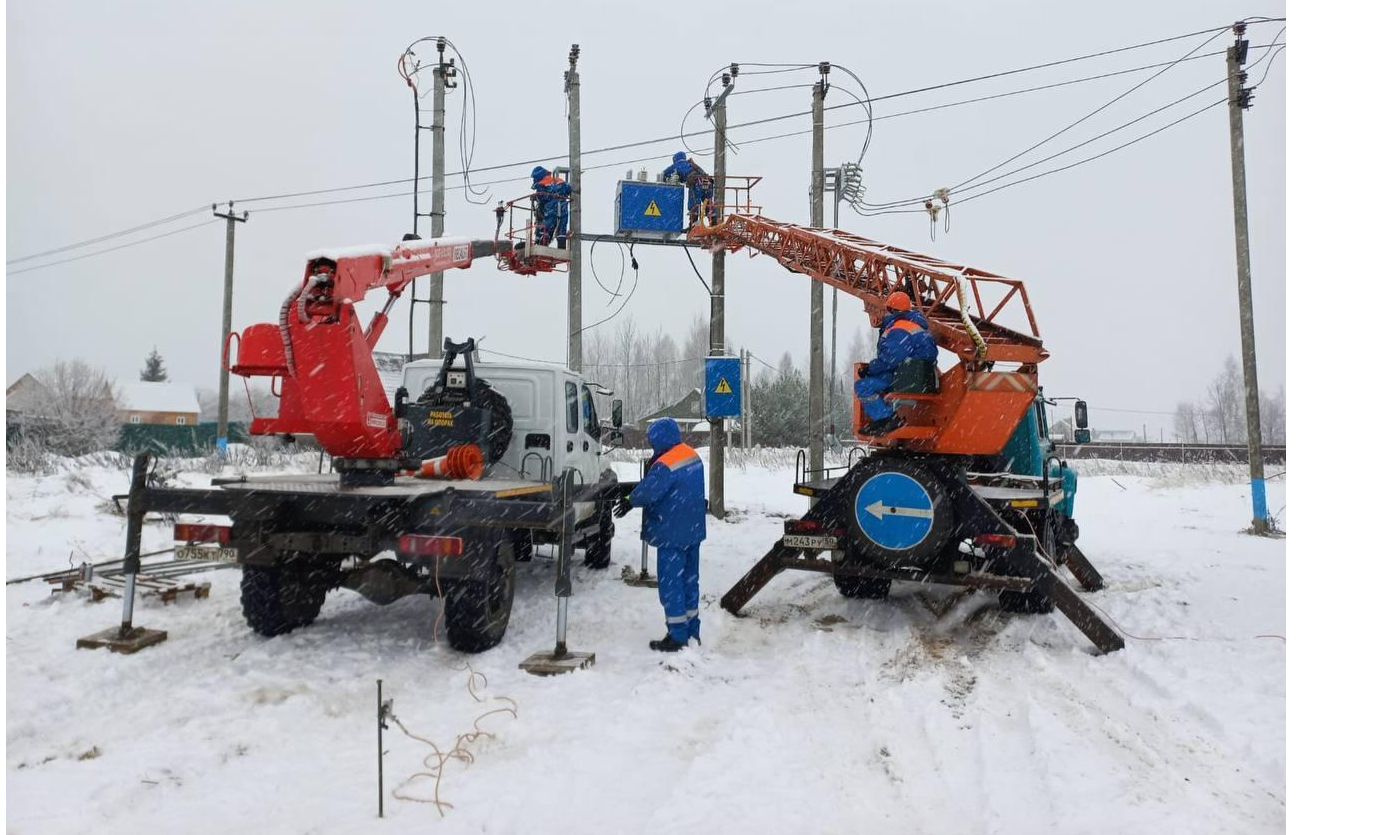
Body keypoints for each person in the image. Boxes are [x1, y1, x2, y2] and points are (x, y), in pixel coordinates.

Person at [615, 417, 706, 652]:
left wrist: (628, 500)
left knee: (671, 583)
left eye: (652, 438)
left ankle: (677, 635)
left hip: (672, 531)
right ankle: (692, 629)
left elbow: (649, 491)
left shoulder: (666, 463)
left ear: (660, 438)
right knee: (689, 580)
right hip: (692, 529)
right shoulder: (691, 454)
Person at [855, 291, 939, 436]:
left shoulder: (899, 328)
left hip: (905, 377)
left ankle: (886, 418)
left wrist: (870, 369)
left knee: (863, 386)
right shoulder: (917, 326)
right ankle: (885, 418)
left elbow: (891, 359)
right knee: (878, 381)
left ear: (891, 309)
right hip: (918, 376)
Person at [661, 151, 714, 229]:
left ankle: (693, 224)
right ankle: (713, 221)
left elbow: (664, 173)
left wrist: (664, 179)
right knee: (708, 202)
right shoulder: (691, 164)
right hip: (707, 181)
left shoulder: (677, 165)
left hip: (696, 182)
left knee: (694, 204)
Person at [530, 166, 572, 248]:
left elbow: (541, 197)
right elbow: (568, 189)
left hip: (551, 207)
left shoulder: (541, 184)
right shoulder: (560, 181)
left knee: (547, 226)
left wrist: (536, 198)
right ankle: (561, 246)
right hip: (562, 205)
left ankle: (542, 243)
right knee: (562, 226)